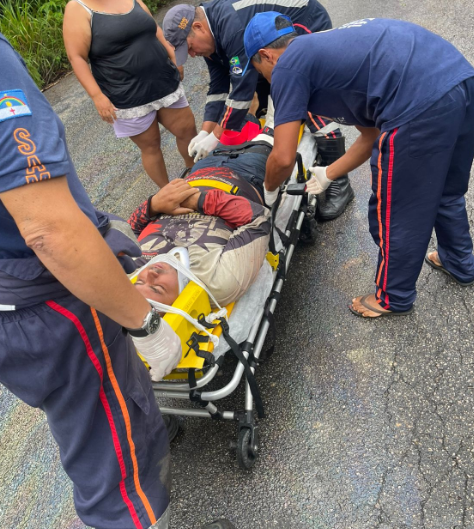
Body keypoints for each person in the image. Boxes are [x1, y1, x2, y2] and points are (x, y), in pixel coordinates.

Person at [0, 13, 236, 529]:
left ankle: (142, 440)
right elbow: (50, 232)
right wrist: (146, 325)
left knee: (90, 413)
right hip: (44, 298)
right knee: (110, 430)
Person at [243, 13, 474, 318]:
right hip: (460, 79)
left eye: (258, 70)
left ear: (266, 56)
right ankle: (459, 262)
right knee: (446, 190)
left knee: (397, 211)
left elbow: (283, 158)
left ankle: (392, 297)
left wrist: (269, 193)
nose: (264, 78)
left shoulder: (287, 66)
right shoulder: (324, 53)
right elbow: (370, 136)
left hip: (418, 104)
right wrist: (329, 173)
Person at [162, 1, 355, 222]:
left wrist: (216, 136)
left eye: (189, 47)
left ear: (198, 27)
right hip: (266, 40)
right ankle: (295, 151)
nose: (192, 54)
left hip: (303, 22)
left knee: (303, 91)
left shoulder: (231, 28)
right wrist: (205, 131)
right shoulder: (211, 38)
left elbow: (242, 91)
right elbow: (218, 88)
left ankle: (340, 182)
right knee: (265, 87)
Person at [129, 131, 274, 306]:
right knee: (264, 128)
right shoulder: (216, 281)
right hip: (246, 172)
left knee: (232, 124)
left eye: (140, 282)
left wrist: (153, 205)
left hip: (201, 169)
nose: (149, 274)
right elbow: (258, 219)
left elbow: (127, 230)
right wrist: (199, 201)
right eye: (157, 288)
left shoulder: (133, 268)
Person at [62, 0, 197, 188]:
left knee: (187, 130)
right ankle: (169, 193)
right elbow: (76, 57)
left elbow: (154, 30)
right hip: (126, 95)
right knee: (151, 146)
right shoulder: (78, 9)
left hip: (163, 81)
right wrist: (97, 96)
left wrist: (173, 55)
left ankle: (197, 174)